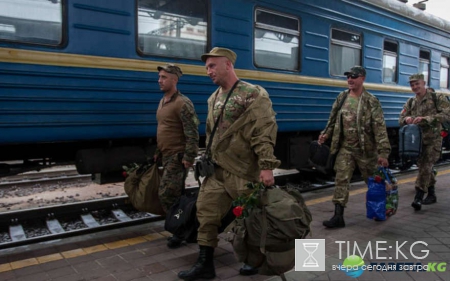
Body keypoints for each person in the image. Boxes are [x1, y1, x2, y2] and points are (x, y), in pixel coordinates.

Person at [177, 47, 281, 280]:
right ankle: (205, 263)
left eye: (212, 66)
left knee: (249, 216)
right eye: (207, 68)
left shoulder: (253, 94)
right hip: (218, 171)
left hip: (244, 171)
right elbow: (212, 133)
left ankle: (254, 259)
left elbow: (263, 130)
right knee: (206, 213)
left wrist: (266, 165)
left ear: (228, 65)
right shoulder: (214, 97)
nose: (208, 72)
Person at [318, 66, 391, 228]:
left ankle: (379, 210)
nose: (350, 79)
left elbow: (379, 128)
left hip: (366, 150)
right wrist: (325, 134)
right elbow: (332, 120)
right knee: (341, 179)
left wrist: (383, 152)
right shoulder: (342, 97)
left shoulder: (371, 101)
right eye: (348, 77)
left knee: (373, 181)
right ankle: (338, 216)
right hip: (346, 149)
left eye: (354, 76)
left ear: (362, 78)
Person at [153, 64, 199, 248]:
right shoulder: (163, 100)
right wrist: (158, 152)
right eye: (159, 77)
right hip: (166, 154)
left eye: (164, 77)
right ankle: (184, 227)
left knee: (167, 195)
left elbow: (192, 132)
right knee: (175, 196)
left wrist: (189, 156)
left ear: (174, 79)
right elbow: (163, 128)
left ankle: (180, 230)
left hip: (177, 156)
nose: (159, 80)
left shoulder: (183, 103)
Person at [398, 73, 450, 210]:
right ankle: (432, 194)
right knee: (424, 168)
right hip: (417, 141)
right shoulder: (411, 102)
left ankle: (418, 197)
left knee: (426, 166)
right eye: (412, 85)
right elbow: (401, 118)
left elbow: (447, 114)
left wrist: (426, 119)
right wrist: (406, 119)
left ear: (423, 83)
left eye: (417, 84)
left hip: (433, 139)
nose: (415, 87)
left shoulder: (437, 98)